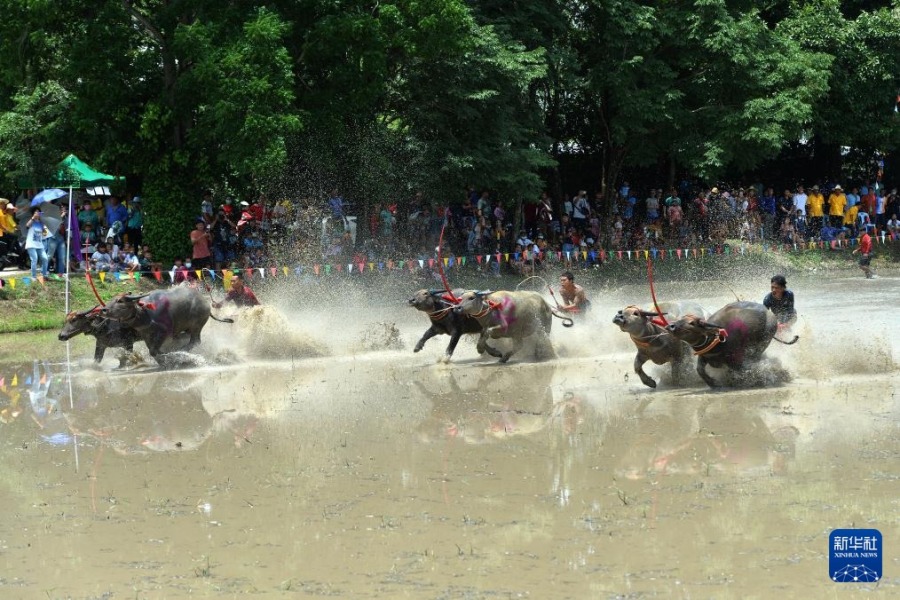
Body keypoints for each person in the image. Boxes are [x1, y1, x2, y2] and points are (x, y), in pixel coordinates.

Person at [24, 207, 50, 279]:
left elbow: (45, 234)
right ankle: (33, 277)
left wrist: (44, 229)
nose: (37, 213)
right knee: (34, 259)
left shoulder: (41, 223)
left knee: (45, 258)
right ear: (33, 213)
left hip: (39, 245)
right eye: (36, 212)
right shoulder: (31, 221)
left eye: (38, 212)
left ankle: (44, 275)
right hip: (31, 244)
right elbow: (27, 226)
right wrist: (33, 218)